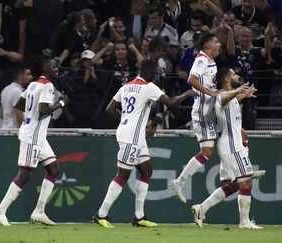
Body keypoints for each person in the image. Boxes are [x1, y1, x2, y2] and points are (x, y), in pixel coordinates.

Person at [92, 59, 195, 228]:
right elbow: (169, 102)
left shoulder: (125, 87)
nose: (156, 75)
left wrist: (126, 121)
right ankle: (101, 214)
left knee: (146, 171)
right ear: (147, 72)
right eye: (155, 72)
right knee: (122, 175)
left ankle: (139, 217)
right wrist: (186, 94)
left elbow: (109, 109)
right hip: (131, 137)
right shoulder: (149, 87)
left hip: (134, 136)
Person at [0, 56, 69, 226]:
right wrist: (62, 102)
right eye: (54, 67)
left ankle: (39, 211)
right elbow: (43, 110)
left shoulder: (33, 84)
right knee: (24, 174)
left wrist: (29, 119)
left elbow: (19, 105)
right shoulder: (48, 85)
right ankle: (0, 211)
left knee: (54, 170)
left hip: (37, 135)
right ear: (45, 69)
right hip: (33, 135)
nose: (57, 69)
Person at [191, 67, 263, 229]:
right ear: (227, 79)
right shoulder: (221, 94)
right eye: (234, 74)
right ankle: (244, 222)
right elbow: (224, 99)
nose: (237, 75)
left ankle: (201, 208)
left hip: (232, 145)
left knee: (233, 186)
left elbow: (232, 100)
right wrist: (238, 91)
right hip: (232, 146)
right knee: (245, 183)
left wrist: (243, 95)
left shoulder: (232, 97)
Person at [170, 32, 221, 203]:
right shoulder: (202, 59)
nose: (219, 43)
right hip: (202, 111)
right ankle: (180, 181)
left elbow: (204, 84)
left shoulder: (210, 60)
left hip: (211, 109)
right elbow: (192, 79)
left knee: (233, 135)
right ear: (207, 45)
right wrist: (210, 92)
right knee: (207, 151)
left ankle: (242, 172)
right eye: (216, 41)